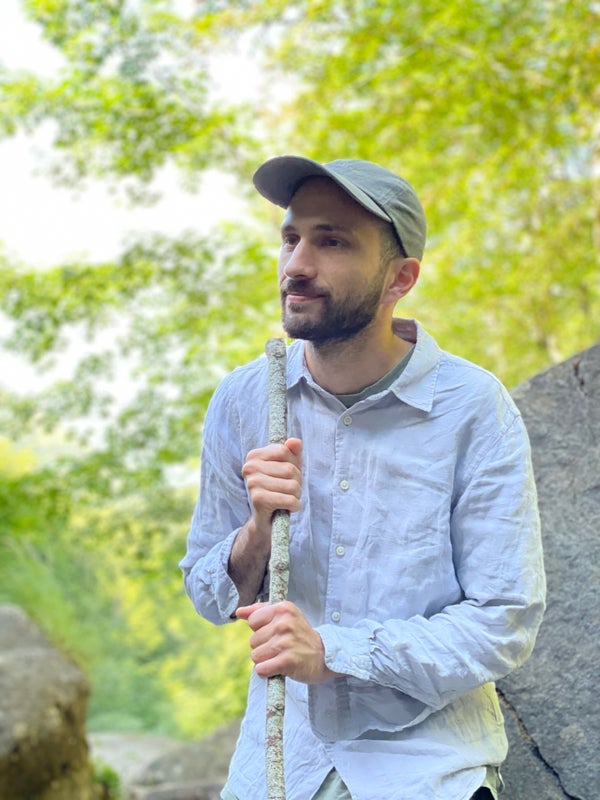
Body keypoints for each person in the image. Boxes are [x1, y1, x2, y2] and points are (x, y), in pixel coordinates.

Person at [180, 156, 546, 800]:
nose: (296, 265)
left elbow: (503, 620)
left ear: (400, 278)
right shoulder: (245, 399)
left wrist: (333, 652)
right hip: (277, 770)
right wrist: (258, 530)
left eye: (333, 242)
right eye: (291, 238)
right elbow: (207, 594)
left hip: (429, 771)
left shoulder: (472, 407)